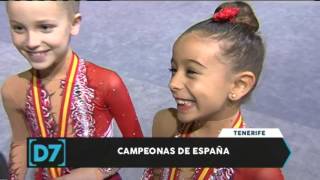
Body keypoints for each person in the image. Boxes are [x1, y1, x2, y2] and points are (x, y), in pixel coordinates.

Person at [1, 1, 143, 180]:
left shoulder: (106, 82)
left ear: (74, 24)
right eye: (19, 28)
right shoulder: (13, 88)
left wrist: (97, 171)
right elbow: (21, 143)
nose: (31, 42)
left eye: (45, 27)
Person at [142, 1, 284, 180]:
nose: (173, 83)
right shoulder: (165, 123)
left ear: (239, 85)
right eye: (173, 70)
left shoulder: (259, 169)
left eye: (191, 72)